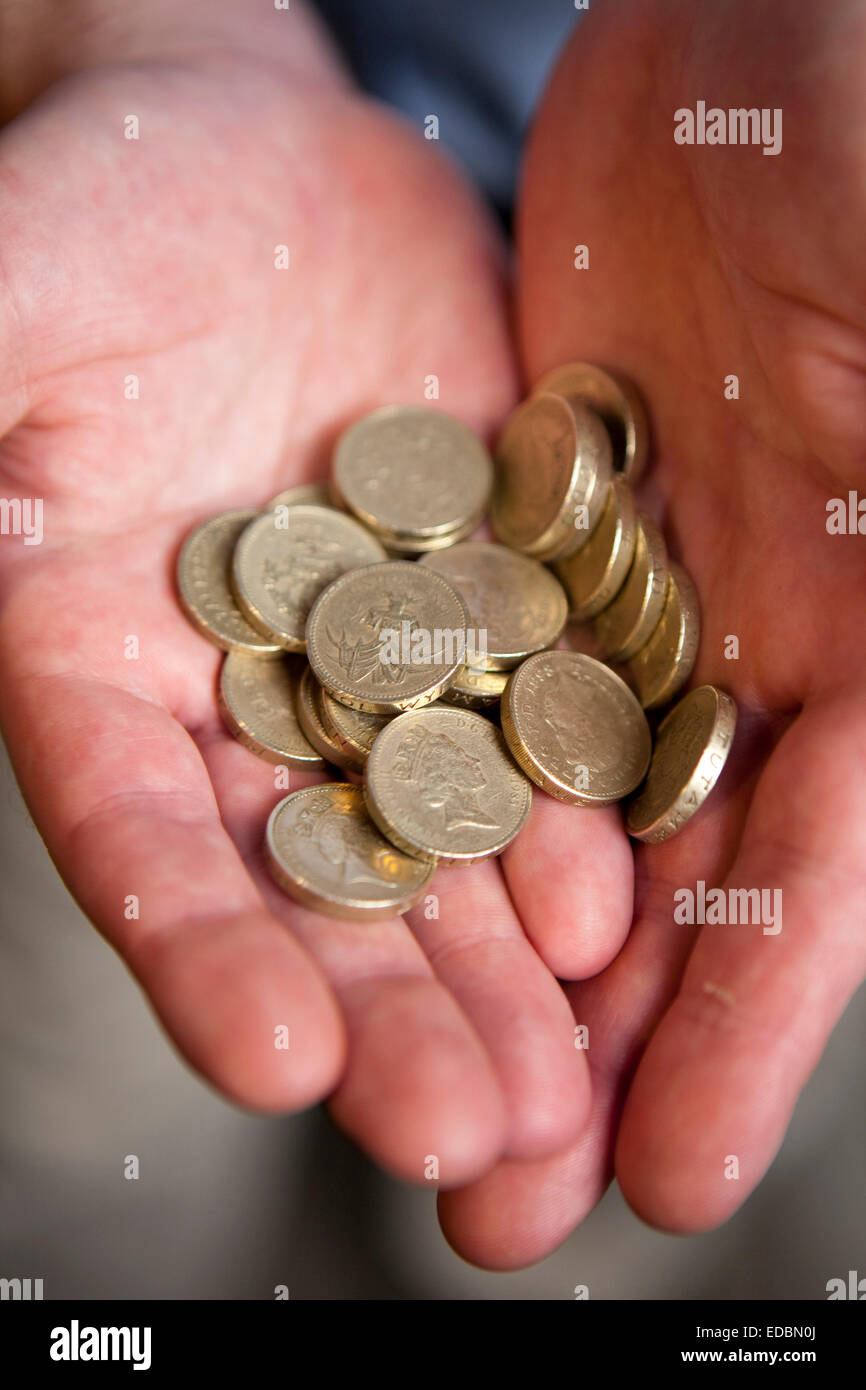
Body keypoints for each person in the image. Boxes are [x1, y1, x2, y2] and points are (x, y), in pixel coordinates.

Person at [0, 0, 863, 1277]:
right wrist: (110, 30)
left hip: (697, 303)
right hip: (254, 230)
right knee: (83, 1125)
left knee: (608, 1132)